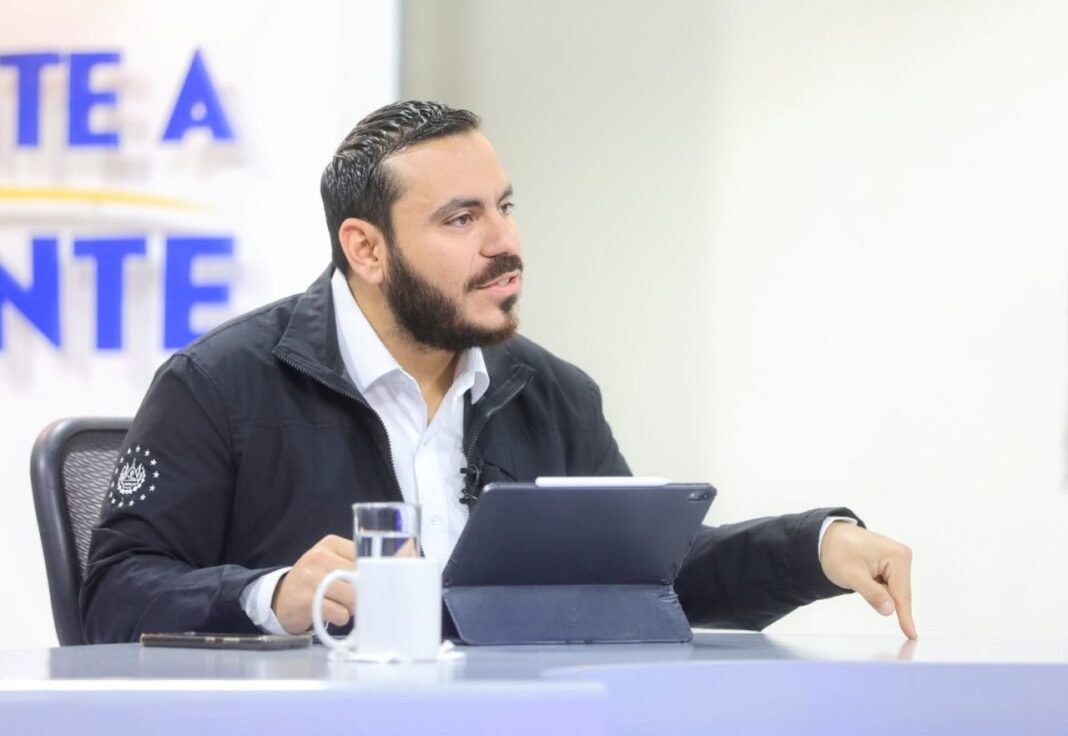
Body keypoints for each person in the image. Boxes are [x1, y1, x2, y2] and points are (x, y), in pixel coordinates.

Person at [81, 101, 916, 643]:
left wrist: (814, 547)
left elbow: (641, 576)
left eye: (504, 208)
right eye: (461, 219)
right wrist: (271, 597)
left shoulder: (552, 395)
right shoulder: (217, 385)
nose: (504, 243)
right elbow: (115, 594)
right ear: (365, 249)